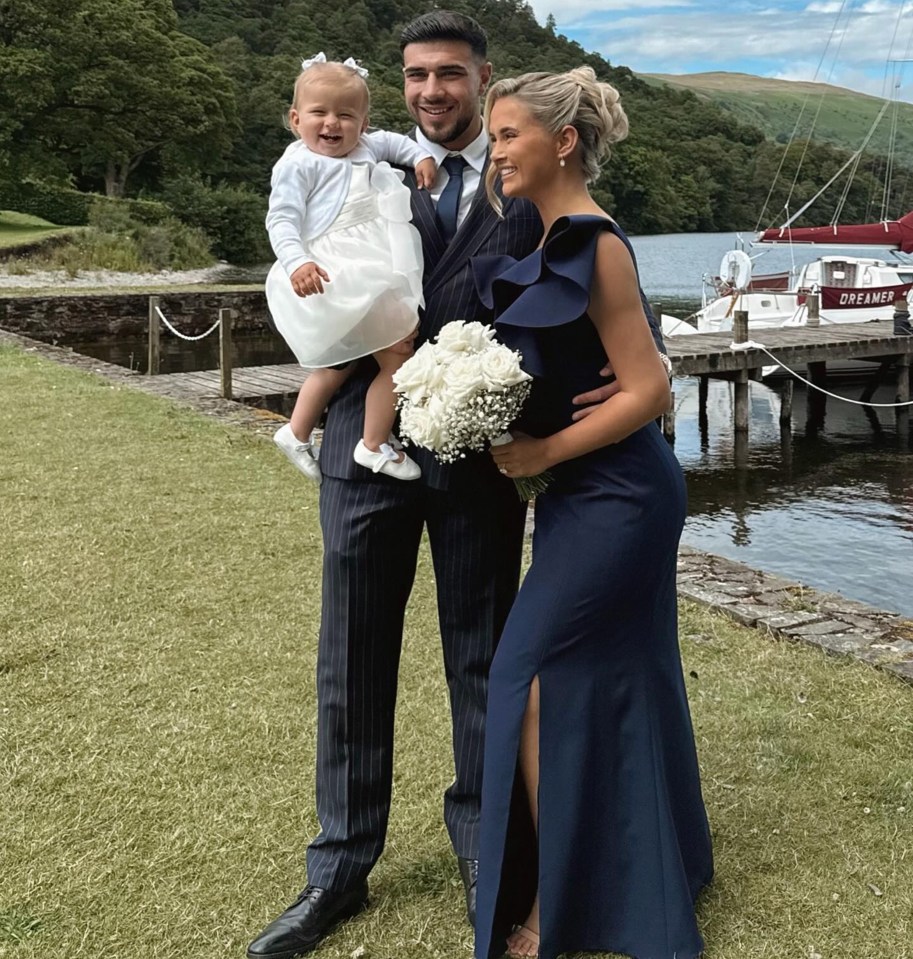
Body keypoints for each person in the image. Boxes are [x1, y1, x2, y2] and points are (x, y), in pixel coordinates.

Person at [246, 14, 666, 959]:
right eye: (414, 75)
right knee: (350, 659)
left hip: (483, 458)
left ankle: (487, 853)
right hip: (368, 441)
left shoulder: (525, 174)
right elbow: (296, 263)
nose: (430, 91)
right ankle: (337, 869)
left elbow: (601, 273)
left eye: (447, 75)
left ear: (481, 80)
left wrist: (630, 368)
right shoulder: (350, 159)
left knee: (482, 659)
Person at [471, 69, 713, 959]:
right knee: (623, 673)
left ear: (561, 141)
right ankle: (657, 864)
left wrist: (536, 455)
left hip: (620, 495)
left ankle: (558, 903)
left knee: (524, 678)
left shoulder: (593, 241)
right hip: (586, 495)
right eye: (494, 137)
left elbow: (648, 385)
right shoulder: (540, 231)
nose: (495, 150)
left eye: (506, 135)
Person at [265, 53, 437, 482]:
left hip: (372, 267)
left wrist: (420, 157)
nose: (332, 124)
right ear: (295, 118)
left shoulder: (367, 145)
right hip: (331, 274)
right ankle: (372, 442)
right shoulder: (297, 164)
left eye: (346, 115)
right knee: (389, 355)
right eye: (319, 113)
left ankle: (299, 431)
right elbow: (281, 219)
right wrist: (297, 261)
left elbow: (398, 143)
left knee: (353, 361)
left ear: (363, 123)